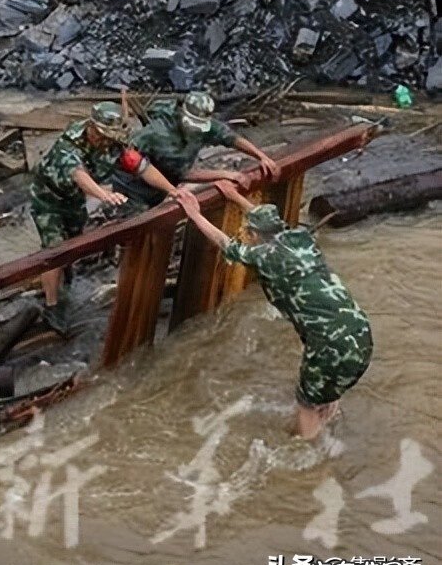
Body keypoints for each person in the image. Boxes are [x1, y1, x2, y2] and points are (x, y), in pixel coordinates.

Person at [178, 181, 373, 440]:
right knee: (324, 397)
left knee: (307, 403)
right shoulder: (301, 239)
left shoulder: (263, 256)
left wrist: (194, 214)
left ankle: (306, 463)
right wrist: (235, 195)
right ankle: (327, 434)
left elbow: (225, 244)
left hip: (330, 344)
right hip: (361, 333)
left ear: (255, 235)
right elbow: (268, 222)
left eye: (249, 232)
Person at [30, 101, 196, 330]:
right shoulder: (68, 146)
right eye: (102, 135)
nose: (105, 141)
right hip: (48, 199)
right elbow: (79, 175)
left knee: (71, 244)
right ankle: (52, 306)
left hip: (74, 201)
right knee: (54, 249)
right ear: (92, 127)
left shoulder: (114, 145)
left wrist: (171, 190)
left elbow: (141, 167)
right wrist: (102, 195)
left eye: (109, 137)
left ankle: (64, 280)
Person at [120, 91, 279, 208]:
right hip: (134, 187)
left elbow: (229, 137)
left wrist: (260, 156)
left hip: (163, 186)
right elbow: (183, 174)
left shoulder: (204, 126)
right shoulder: (158, 134)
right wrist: (225, 174)